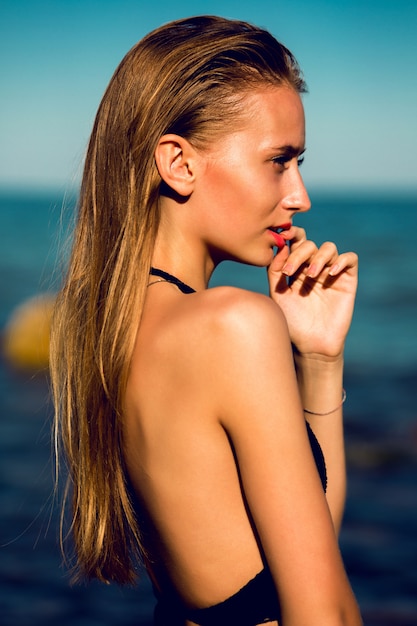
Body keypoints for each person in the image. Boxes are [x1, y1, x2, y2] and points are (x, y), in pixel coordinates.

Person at [50, 15, 363, 626]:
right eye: (279, 160)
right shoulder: (232, 324)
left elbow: (304, 545)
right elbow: (325, 610)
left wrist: (321, 359)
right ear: (180, 163)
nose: (299, 195)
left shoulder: (118, 328)